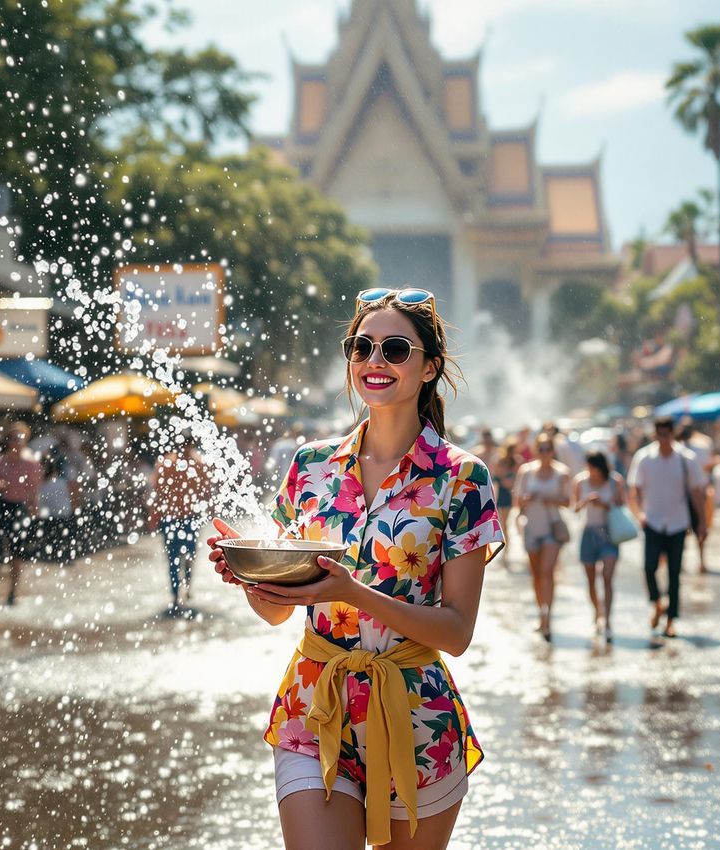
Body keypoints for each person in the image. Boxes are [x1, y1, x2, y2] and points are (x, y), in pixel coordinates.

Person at [207, 287, 503, 850]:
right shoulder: (310, 466)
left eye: (395, 349)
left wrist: (355, 592)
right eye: (361, 347)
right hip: (315, 702)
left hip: (416, 713)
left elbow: (458, 631)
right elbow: (277, 610)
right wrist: (250, 577)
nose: (375, 361)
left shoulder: (463, 478)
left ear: (429, 367)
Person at [628, 417, 707, 638]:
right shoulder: (644, 458)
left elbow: (696, 493)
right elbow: (634, 490)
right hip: (652, 521)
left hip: (678, 522)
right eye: (659, 435)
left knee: (674, 573)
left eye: (667, 434)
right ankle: (656, 602)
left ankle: (671, 620)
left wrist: (702, 522)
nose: (663, 439)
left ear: (672, 434)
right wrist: (639, 514)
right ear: (655, 435)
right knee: (649, 568)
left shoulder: (686, 459)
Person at [515, 433, 573, 641]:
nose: (545, 453)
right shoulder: (526, 471)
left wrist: (551, 499)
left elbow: (568, 502)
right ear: (536, 450)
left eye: (548, 449)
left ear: (553, 451)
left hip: (551, 528)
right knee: (537, 575)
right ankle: (542, 612)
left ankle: (547, 617)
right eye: (542, 449)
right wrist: (527, 499)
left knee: (547, 572)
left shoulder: (561, 473)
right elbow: (517, 501)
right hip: (532, 528)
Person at [0, 423, 42, 608]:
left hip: (19, 508)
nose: (17, 442)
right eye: (13, 438)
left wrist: (33, 509)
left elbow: (34, 490)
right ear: (8, 441)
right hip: (1, 506)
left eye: (20, 438)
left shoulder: (31, 463)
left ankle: (12, 592)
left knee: (17, 553)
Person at [153, 433, 210, 616]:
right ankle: (181, 590)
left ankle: (179, 591)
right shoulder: (198, 462)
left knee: (178, 557)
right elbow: (205, 491)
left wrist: (154, 514)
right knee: (182, 556)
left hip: (175, 518)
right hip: (185, 518)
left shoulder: (166, 463)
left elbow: (157, 490)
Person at [573, 449, 627, 640]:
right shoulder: (580, 481)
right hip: (588, 532)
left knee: (607, 576)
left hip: (608, 533)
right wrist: (586, 501)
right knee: (590, 580)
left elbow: (622, 505)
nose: (590, 471)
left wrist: (605, 503)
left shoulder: (614, 480)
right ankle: (598, 612)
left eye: (593, 467)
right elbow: (575, 507)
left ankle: (609, 620)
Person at [677, 420, 715, 573]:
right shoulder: (700, 449)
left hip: (681, 495)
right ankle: (701, 561)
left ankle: (681, 562)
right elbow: (707, 467)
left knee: (681, 529)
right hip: (699, 492)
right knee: (700, 526)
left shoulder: (677, 451)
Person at [493, 436, 522, 554]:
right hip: (504, 494)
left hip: (512, 494)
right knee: (504, 524)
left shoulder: (518, 461)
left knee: (508, 523)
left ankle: (507, 552)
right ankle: (505, 551)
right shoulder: (501, 461)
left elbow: (519, 478)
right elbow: (498, 477)